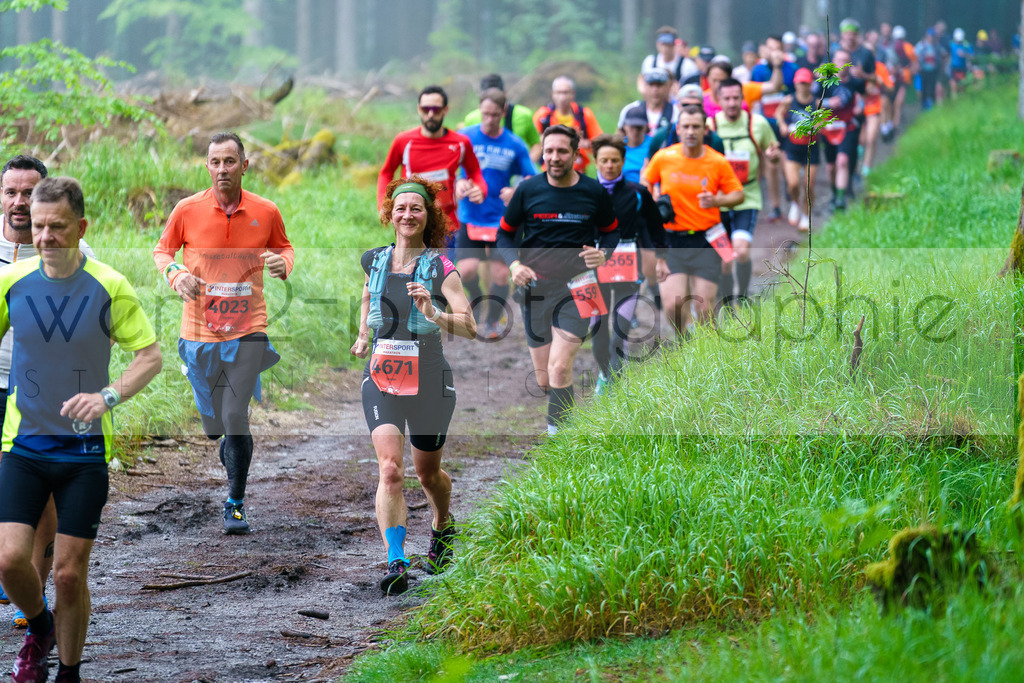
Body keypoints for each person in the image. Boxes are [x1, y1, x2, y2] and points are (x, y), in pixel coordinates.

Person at [0, 176, 161, 683]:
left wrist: (107, 396)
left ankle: (68, 673)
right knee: (9, 564)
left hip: (84, 454)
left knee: (69, 574)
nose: (46, 236)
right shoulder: (13, 282)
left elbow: (150, 357)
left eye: (58, 227)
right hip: (22, 446)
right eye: (40, 227)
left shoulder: (109, 285)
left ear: (81, 227)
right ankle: (40, 627)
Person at [153, 131, 294, 534]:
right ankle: (229, 446)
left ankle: (235, 502)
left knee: (235, 416)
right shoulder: (187, 209)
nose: (221, 169)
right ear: (207, 166)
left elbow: (285, 248)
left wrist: (283, 263)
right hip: (198, 330)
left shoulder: (265, 211)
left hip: (249, 329)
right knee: (215, 426)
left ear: (244, 165)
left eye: (229, 161)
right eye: (214, 162)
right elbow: (163, 250)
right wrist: (175, 272)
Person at [351, 176, 476, 595]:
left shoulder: (441, 268)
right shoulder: (375, 260)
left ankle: (443, 523)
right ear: (390, 212)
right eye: (401, 207)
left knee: (428, 474)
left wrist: (433, 312)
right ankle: (396, 560)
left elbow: (470, 326)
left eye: (416, 208)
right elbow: (370, 296)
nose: (407, 215)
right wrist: (364, 334)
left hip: (430, 379)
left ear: (428, 216)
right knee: (390, 470)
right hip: (383, 377)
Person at [0, 156, 97, 631]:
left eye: (28, 193)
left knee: (38, 494)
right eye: (11, 193)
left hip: (45, 393)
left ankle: (29, 590)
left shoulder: (80, 255)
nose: (19, 203)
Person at [497, 125, 619, 435]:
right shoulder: (528, 190)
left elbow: (611, 230)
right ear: (542, 152)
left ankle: (559, 441)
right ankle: (566, 422)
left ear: (577, 155)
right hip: (535, 288)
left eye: (562, 151)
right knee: (545, 379)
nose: (554, 157)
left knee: (560, 367)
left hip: (581, 286)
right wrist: (514, 266)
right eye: (549, 151)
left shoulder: (593, 192)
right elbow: (505, 234)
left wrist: (603, 253)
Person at [643, 106, 744, 336]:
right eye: (686, 126)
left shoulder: (716, 161)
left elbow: (738, 195)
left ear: (704, 130)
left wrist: (717, 200)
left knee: (705, 309)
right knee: (672, 306)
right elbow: (646, 182)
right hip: (671, 241)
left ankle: (708, 356)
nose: (690, 131)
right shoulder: (664, 157)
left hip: (705, 240)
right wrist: (652, 199)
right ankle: (685, 338)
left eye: (696, 127)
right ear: (677, 129)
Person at [455, 89, 537, 340]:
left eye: (494, 114)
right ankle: (476, 302)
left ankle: (491, 321)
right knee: (466, 271)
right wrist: (458, 183)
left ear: (503, 112)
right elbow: (447, 167)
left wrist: (516, 190)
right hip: (471, 215)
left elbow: (531, 176)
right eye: (485, 114)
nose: (489, 119)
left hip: (502, 218)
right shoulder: (466, 137)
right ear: (480, 111)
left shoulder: (514, 143)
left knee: (502, 274)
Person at [589, 134, 665, 394]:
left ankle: (612, 383)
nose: (609, 166)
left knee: (619, 332)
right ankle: (604, 372)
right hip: (590, 270)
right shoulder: (584, 191)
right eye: (604, 161)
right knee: (597, 332)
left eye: (615, 161)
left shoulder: (638, 193)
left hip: (627, 267)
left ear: (623, 161)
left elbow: (656, 228)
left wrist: (661, 258)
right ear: (595, 161)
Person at [378, 85, 487, 241]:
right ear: (418, 109)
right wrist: (384, 204)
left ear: (445, 110)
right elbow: (386, 172)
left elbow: (475, 171)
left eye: (436, 110)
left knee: (443, 266)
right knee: (411, 266)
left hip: (447, 225)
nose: (430, 114)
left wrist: (480, 189)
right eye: (425, 109)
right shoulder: (403, 140)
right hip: (411, 223)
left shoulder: (460, 143)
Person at [708, 78, 779, 304]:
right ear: (718, 100)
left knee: (741, 251)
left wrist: (773, 156)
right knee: (724, 258)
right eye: (726, 98)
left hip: (747, 195)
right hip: (719, 199)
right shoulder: (710, 126)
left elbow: (773, 148)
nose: (731, 103)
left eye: (736, 98)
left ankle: (743, 295)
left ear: (743, 99)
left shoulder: (757, 124)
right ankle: (727, 300)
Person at [777, 68, 821, 231]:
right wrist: (782, 124)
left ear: (810, 84)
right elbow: (778, 113)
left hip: (811, 149)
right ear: (795, 83)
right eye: (800, 83)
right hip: (792, 148)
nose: (802, 86)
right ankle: (795, 203)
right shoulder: (789, 100)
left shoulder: (816, 103)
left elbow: (821, 123)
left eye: (805, 83)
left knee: (808, 186)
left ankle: (805, 215)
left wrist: (814, 128)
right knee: (793, 184)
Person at [819, 50, 862, 212]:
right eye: (839, 60)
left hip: (847, 127)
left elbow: (863, 94)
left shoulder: (855, 82)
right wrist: (829, 102)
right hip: (829, 128)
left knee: (842, 161)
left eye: (846, 61)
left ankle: (840, 199)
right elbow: (810, 100)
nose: (842, 65)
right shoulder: (824, 82)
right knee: (831, 167)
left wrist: (860, 106)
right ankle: (834, 193)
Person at [532, 77, 603, 174]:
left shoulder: (584, 115)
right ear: (553, 94)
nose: (562, 97)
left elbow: (600, 143)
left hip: (578, 171)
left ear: (573, 94)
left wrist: (586, 143)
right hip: (550, 170)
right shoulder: (543, 115)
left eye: (565, 93)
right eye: (558, 92)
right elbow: (533, 144)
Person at [462, 74, 541, 160]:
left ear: (504, 93)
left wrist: (524, 167)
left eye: (496, 98)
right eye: (486, 114)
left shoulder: (523, 115)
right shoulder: (471, 118)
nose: (490, 120)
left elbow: (536, 144)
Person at [639, 26, 698, 93]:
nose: (665, 48)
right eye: (663, 44)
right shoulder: (650, 62)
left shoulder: (687, 65)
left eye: (668, 45)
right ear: (657, 44)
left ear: (674, 45)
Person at [617, 66, 675, 135]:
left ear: (668, 87)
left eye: (659, 85)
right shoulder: (630, 110)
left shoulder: (675, 112)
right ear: (644, 86)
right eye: (651, 85)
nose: (655, 90)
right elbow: (618, 138)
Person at [620, 106, 652, 183]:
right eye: (632, 127)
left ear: (646, 127)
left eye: (639, 127)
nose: (635, 131)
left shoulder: (653, 145)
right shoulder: (619, 147)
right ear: (624, 126)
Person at [949, 28, 974, 98]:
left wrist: (965, 55)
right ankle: (954, 98)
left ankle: (962, 99)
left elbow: (972, 56)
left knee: (962, 85)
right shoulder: (951, 45)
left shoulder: (967, 45)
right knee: (953, 83)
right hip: (954, 67)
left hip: (963, 68)